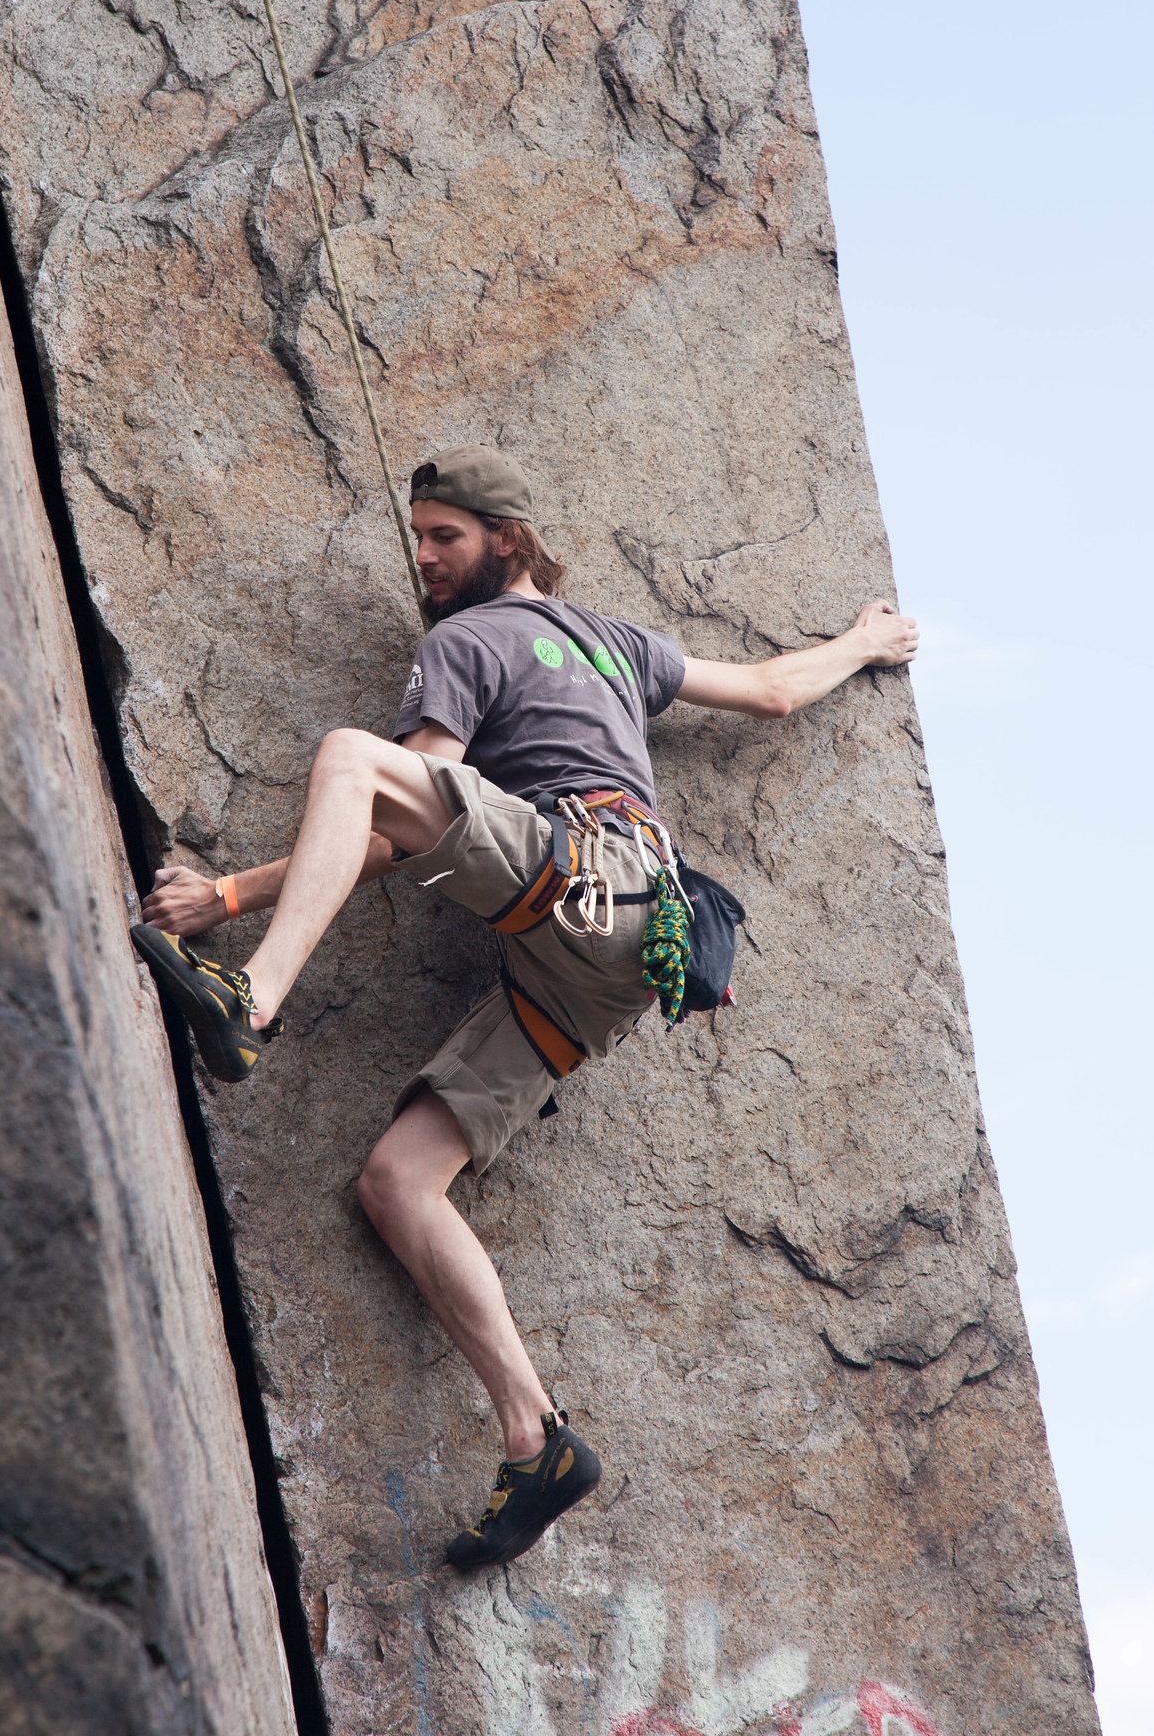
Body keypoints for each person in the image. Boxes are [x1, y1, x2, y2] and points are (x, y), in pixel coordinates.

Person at [131, 445, 918, 1572]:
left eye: (443, 536)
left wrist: (230, 895)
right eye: (418, 539)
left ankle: (250, 997)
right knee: (399, 1182)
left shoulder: (462, 642)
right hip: (621, 958)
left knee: (355, 757)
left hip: (578, 884)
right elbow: (774, 689)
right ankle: (535, 1433)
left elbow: (393, 821)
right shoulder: (621, 641)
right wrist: (870, 640)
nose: (424, 558)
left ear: (507, 535)